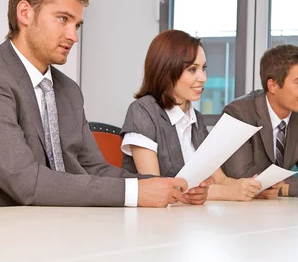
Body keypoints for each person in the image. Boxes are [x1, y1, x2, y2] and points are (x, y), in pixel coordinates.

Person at [0, 0, 209, 209]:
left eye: (77, 25)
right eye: (63, 19)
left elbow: (93, 168)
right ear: (25, 13)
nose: (74, 36)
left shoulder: (67, 89)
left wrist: (167, 187)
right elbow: (26, 183)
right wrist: (136, 193)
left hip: (52, 228)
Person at [120, 29, 280, 201]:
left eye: (203, 68)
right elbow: (157, 188)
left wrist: (252, 188)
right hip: (152, 223)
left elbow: (220, 179)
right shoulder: (142, 111)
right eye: (192, 69)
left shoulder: (195, 118)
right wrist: (226, 193)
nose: (203, 77)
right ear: (166, 70)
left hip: (186, 221)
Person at [221, 44, 298, 197]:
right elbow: (243, 177)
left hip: (281, 211)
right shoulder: (239, 113)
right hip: (238, 212)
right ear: (273, 85)